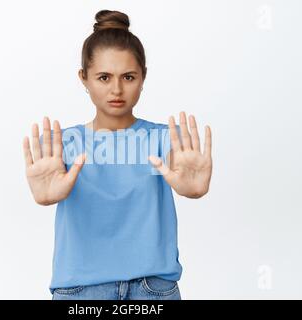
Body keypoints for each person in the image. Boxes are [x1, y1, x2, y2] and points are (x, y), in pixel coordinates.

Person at [22, 10, 213, 300]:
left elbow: (182, 172)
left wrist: (192, 189)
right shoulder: (65, 144)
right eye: (103, 77)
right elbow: (49, 187)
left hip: (152, 290)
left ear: (143, 77)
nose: (116, 89)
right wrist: (47, 195)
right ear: (83, 79)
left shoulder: (162, 139)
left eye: (128, 76)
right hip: (80, 292)